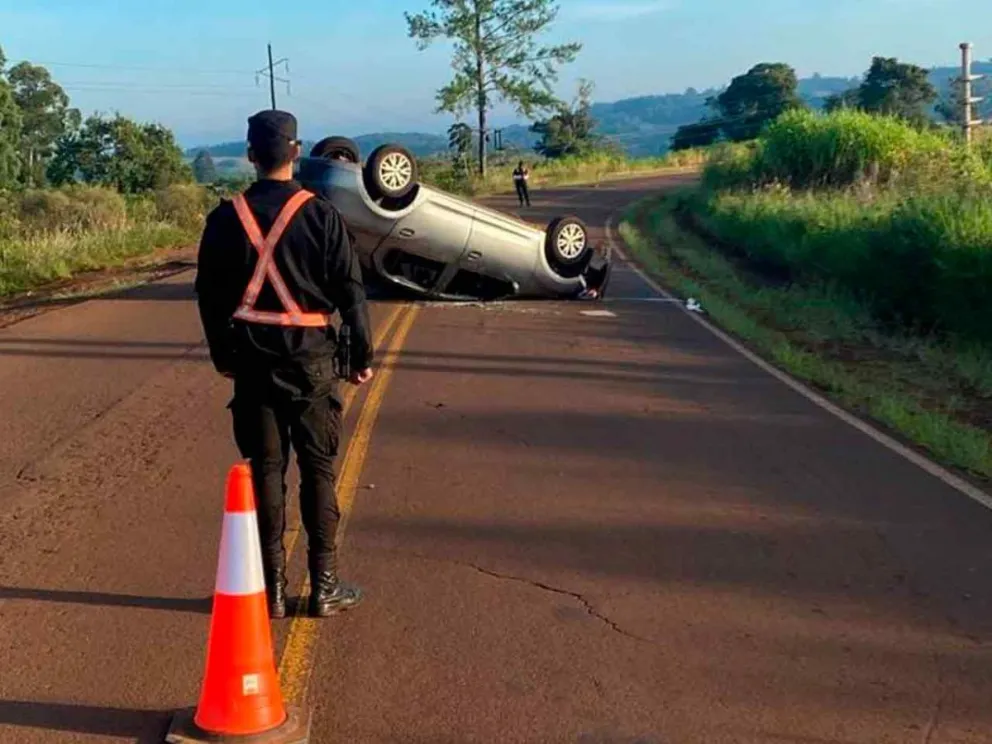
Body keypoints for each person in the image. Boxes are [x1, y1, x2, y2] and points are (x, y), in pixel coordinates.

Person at [194, 109, 375, 619]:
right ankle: (325, 587)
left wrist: (221, 356)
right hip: (313, 364)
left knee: (265, 473)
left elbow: (208, 297)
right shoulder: (322, 215)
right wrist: (361, 356)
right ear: (296, 153)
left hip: (252, 364)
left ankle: (269, 589)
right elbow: (351, 295)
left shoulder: (225, 218)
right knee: (318, 471)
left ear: (251, 155)